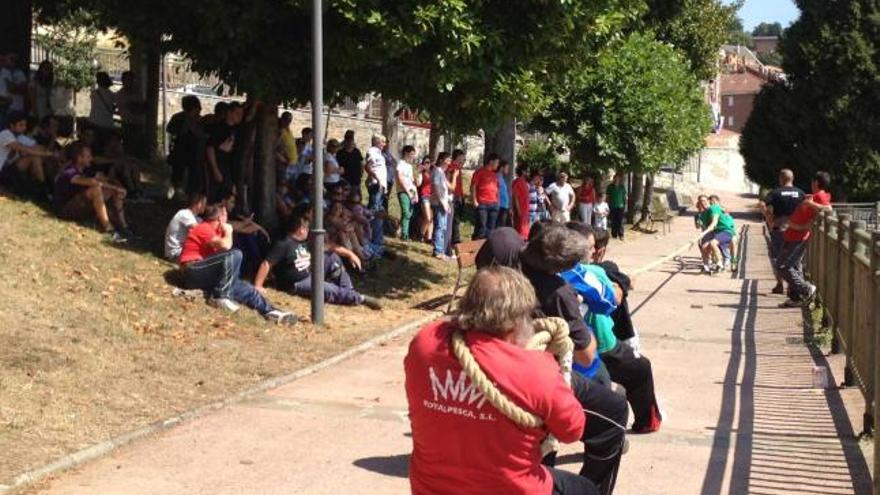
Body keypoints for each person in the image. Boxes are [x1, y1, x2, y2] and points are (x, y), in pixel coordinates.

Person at [405, 266, 599, 495]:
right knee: (585, 490)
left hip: (430, 488)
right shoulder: (537, 370)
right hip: (511, 489)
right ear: (516, 321)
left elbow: (451, 326)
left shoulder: (425, 343)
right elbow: (572, 430)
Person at [517, 223, 629, 493]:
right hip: (542, 374)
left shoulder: (508, 260)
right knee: (614, 409)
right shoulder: (560, 291)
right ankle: (590, 485)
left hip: (508, 362)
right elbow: (586, 355)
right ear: (563, 265)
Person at [561, 222, 662, 433]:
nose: (594, 251)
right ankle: (647, 421)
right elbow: (612, 299)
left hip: (572, 344)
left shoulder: (557, 270)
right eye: (591, 247)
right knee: (641, 368)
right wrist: (622, 283)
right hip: (600, 345)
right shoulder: (591, 272)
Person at [179, 204, 296, 323]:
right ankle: (220, 296)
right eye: (226, 215)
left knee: (248, 289)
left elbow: (242, 228)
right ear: (220, 218)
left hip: (208, 276)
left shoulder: (217, 231)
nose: (228, 218)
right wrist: (229, 231)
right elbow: (226, 246)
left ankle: (272, 313)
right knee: (235, 254)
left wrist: (258, 228)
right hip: (192, 271)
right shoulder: (204, 228)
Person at [254, 213, 382, 310]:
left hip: (309, 273)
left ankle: (349, 291)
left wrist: (350, 254)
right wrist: (258, 285)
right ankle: (360, 298)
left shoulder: (304, 242)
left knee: (331, 257)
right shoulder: (283, 244)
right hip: (297, 283)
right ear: (301, 229)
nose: (308, 230)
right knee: (328, 289)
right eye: (307, 228)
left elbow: (329, 247)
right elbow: (267, 263)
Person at [52, 141, 129, 242]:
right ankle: (108, 229)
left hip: (78, 206)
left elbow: (100, 178)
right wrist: (116, 188)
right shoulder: (69, 171)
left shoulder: (85, 169)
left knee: (111, 190)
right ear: (80, 158)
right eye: (88, 156)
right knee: (96, 189)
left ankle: (124, 226)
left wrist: (115, 186)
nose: (91, 158)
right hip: (64, 210)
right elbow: (92, 182)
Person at [777, 171, 833, 308]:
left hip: (798, 236)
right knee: (795, 267)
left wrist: (809, 206)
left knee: (783, 266)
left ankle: (806, 289)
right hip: (793, 234)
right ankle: (797, 297)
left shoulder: (820, 195)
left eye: (812, 182)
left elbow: (829, 209)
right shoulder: (815, 196)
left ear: (816, 182)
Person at [762, 169, 805, 295]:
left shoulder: (775, 193)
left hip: (779, 229)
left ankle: (780, 284)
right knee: (796, 259)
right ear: (792, 178)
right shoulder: (800, 193)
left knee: (777, 257)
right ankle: (797, 288)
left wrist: (769, 217)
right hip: (797, 229)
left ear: (781, 179)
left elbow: (762, 204)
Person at [0, 111, 54, 193]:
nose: (24, 128)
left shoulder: (21, 137)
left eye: (25, 125)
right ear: (12, 126)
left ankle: (44, 186)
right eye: (21, 125)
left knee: (36, 156)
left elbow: (38, 147)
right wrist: (48, 154)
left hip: (11, 169)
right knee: (34, 156)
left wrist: (48, 153)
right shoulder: (5, 134)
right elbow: (24, 149)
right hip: (2, 170)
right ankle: (44, 187)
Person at [166, 95, 206, 198]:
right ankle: (177, 188)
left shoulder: (201, 121)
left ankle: (191, 191)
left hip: (196, 152)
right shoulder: (178, 118)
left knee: (194, 171)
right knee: (178, 168)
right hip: (180, 149)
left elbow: (203, 135)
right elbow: (171, 130)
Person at [205, 101, 242, 201]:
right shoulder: (219, 128)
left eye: (241, 114)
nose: (240, 116)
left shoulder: (236, 129)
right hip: (220, 165)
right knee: (218, 195)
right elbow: (210, 148)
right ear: (229, 113)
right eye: (237, 114)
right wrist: (215, 169)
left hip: (230, 166)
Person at [696, 195, 736, 273]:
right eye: (701, 202)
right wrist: (699, 224)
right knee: (704, 247)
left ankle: (721, 262)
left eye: (704, 201)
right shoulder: (702, 214)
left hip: (722, 231)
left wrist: (703, 233)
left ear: (708, 201)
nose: (703, 203)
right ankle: (707, 266)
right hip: (712, 232)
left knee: (713, 243)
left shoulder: (715, 208)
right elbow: (701, 225)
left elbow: (714, 223)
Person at [165, 193, 208, 261]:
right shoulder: (185, 214)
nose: (206, 207)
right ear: (199, 204)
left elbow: (207, 230)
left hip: (183, 252)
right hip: (175, 253)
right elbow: (200, 232)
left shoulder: (197, 218)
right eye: (204, 204)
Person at [115, 71, 147, 159]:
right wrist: (136, 106)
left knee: (140, 151)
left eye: (132, 79)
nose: (131, 82)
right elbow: (134, 108)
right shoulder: (120, 94)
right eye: (128, 80)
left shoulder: (139, 92)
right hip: (128, 124)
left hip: (139, 124)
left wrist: (137, 106)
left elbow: (143, 108)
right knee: (129, 150)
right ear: (123, 81)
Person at [470, 153, 501, 240]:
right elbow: (473, 186)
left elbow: (497, 189)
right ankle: (476, 247)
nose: (497, 165)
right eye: (496, 162)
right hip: (482, 203)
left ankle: (487, 247)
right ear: (491, 162)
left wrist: (497, 201)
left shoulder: (494, 175)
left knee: (491, 229)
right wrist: (474, 200)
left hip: (493, 204)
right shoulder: (480, 172)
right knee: (482, 227)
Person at [430, 152, 453, 259]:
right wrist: (443, 202)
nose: (449, 161)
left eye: (450, 159)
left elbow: (448, 187)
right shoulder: (437, 171)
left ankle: (440, 250)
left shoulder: (442, 172)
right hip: (439, 203)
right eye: (447, 159)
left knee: (442, 226)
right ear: (441, 160)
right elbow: (436, 187)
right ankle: (438, 251)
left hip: (443, 202)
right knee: (440, 226)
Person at [395, 145, 418, 240]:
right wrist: (407, 191)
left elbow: (412, 181)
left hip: (411, 191)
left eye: (414, 154)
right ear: (406, 153)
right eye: (412, 154)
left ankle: (400, 229)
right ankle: (404, 235)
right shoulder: (400, 164)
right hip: (403, 191)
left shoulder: (409, 166)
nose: (413, 156)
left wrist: (415, 194)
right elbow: (400, 178)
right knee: (406, 212)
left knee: (410, 213)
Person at [447, 149, 466, 248]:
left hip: (459, 196)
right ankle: (455, 240)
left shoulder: (458, 168)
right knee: (454, 219)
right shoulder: (451, 168)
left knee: (457, 219)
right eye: (462, 159)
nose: (463, 161)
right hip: (453, 197)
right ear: (457, 157)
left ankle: (455, 239)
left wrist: (462, 196)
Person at [364, 134, 387, 211]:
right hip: (375, 183)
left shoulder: (379, 153)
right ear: (377, 142)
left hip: (381, 184)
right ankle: (371, 223)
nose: (384, 144)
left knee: (379, 208)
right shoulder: (372, 151)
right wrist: (376, 179)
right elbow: (367, 166)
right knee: (374, 208)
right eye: (382, 142)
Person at [416, 156, 433, 243]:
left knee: (431, 218)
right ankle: (421, 235)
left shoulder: (432, 172)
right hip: (424, 196)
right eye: (426, 162)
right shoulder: (422, 173)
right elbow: (418, 184)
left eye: (429, 162)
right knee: (428, 217)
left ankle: (429, 238)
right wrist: (419, 171)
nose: (428, 164)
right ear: (423, 163)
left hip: (432, 197)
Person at [511, 164, 531, 239]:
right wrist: (518, 210)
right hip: (521, 212)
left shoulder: (524, 182)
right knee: (520, 233)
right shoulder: (518, 181)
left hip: (525, 212)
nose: (528, 173)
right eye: (527, 171)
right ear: (523, 172)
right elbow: (515, 196)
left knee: (525, 232)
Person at [606, 173, 627, 240]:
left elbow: (624, 197)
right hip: (612, 206)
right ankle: (614, 234)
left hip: (620, 206)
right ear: (614, 179)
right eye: (615, 178)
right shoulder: (610, 187)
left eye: (618, 178)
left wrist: (625, 205)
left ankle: (621, 234)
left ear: (619, 179)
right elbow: (607, 197)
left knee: (620, 221)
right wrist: (607, 205)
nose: (617, 179)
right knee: (614, 220)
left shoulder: (622, 187)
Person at [496, 159, 511, 228]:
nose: (508, 170)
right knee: (500, 226)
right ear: (502, 168)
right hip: (500, 206)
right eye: (507, 168)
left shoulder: (501, 177)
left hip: (505, 206)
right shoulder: (497, 177)